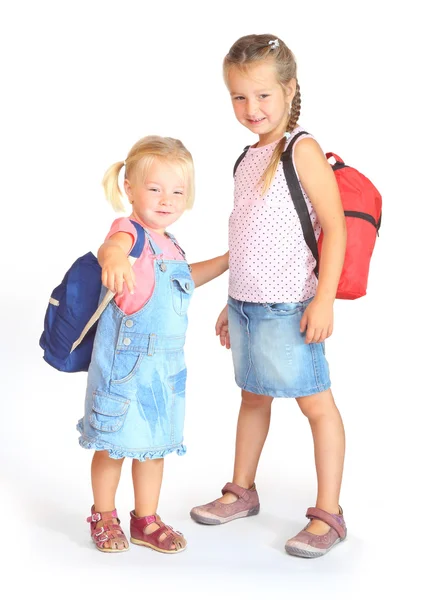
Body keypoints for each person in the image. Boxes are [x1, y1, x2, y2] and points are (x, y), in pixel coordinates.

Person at [190, 34, 348, 558]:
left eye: (262, 95)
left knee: (316, 406)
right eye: (238, 97)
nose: (250, 108)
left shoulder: (301, 149)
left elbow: (335, 227)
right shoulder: (247, 157)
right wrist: (230, 302)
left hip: (292, 307)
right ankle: (243, 490)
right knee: (252, 398)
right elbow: (247, 237)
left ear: (289, 89)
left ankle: (329, 513)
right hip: (247, 307)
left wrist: (323, 299)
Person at [77, 135, 228, 554]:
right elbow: (113, 247)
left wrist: (228, 259)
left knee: (153, 449)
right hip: (124, 370)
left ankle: (145, 518)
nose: (167, 199)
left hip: (164, 372)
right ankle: (104, 515)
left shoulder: (172, 244)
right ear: (129, 188)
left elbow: (186, 278)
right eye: (155, 188)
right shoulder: (131, 232)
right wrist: (112, 260)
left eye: (177, 191)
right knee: (112, 447)